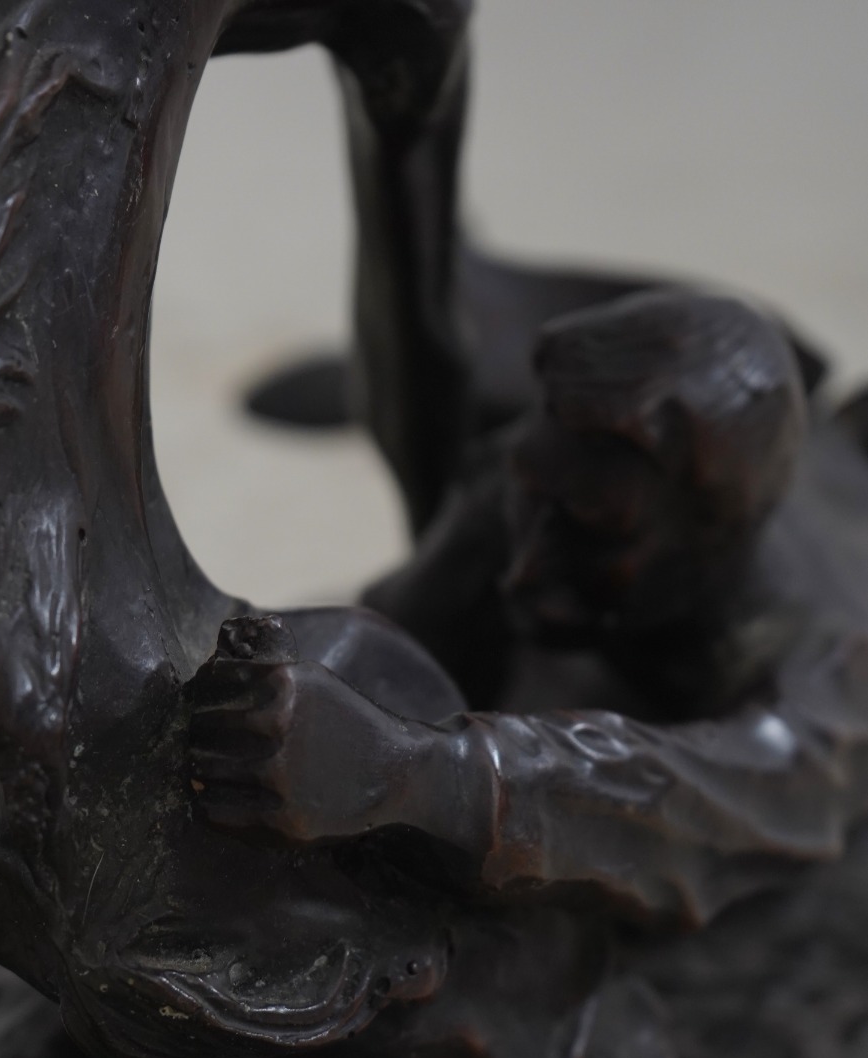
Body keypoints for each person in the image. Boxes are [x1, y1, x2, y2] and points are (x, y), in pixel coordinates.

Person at [189, 291, 868, 931]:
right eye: (530, 495)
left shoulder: (828, 657)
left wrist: (421, 774)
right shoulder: (556, 474)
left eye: (593, 536)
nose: (524, 568)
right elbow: (405, 629)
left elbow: (733, 802)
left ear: (713, 540)